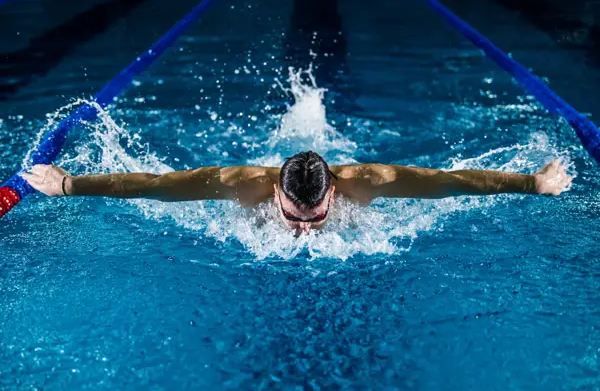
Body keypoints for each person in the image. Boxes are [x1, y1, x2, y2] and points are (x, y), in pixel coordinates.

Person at [22, 151, 572, 233]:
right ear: (277, 194)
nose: (302, 229)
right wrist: (69, 184)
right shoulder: (243, 186)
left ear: (334, 189)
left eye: (314, 217)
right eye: (293, 215)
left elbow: (454, 184)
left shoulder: (369, 182)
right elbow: (158, 188)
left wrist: (534, 183)